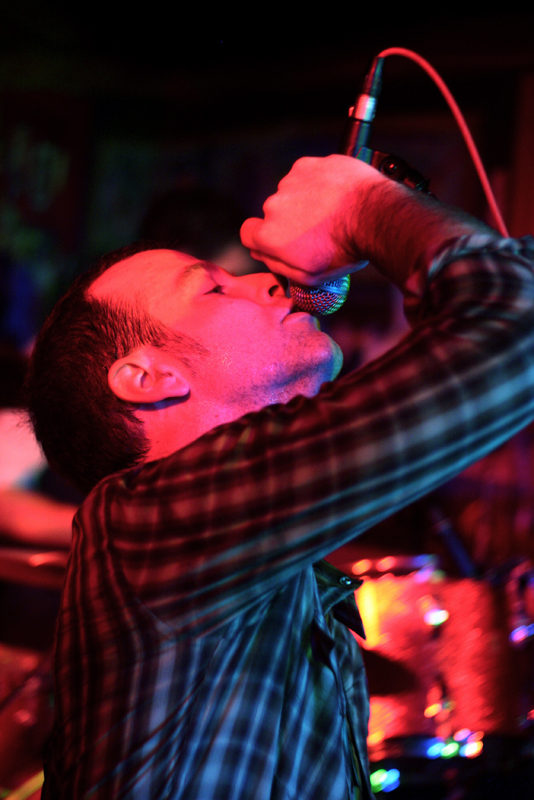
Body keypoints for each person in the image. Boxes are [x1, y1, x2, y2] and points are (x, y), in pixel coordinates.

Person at [25, 155, 534, 799]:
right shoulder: (144, 520)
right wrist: (362, 208)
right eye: (213, 289)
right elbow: (519, 320)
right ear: (147, 378)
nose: (267, 284)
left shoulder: (286, 577)